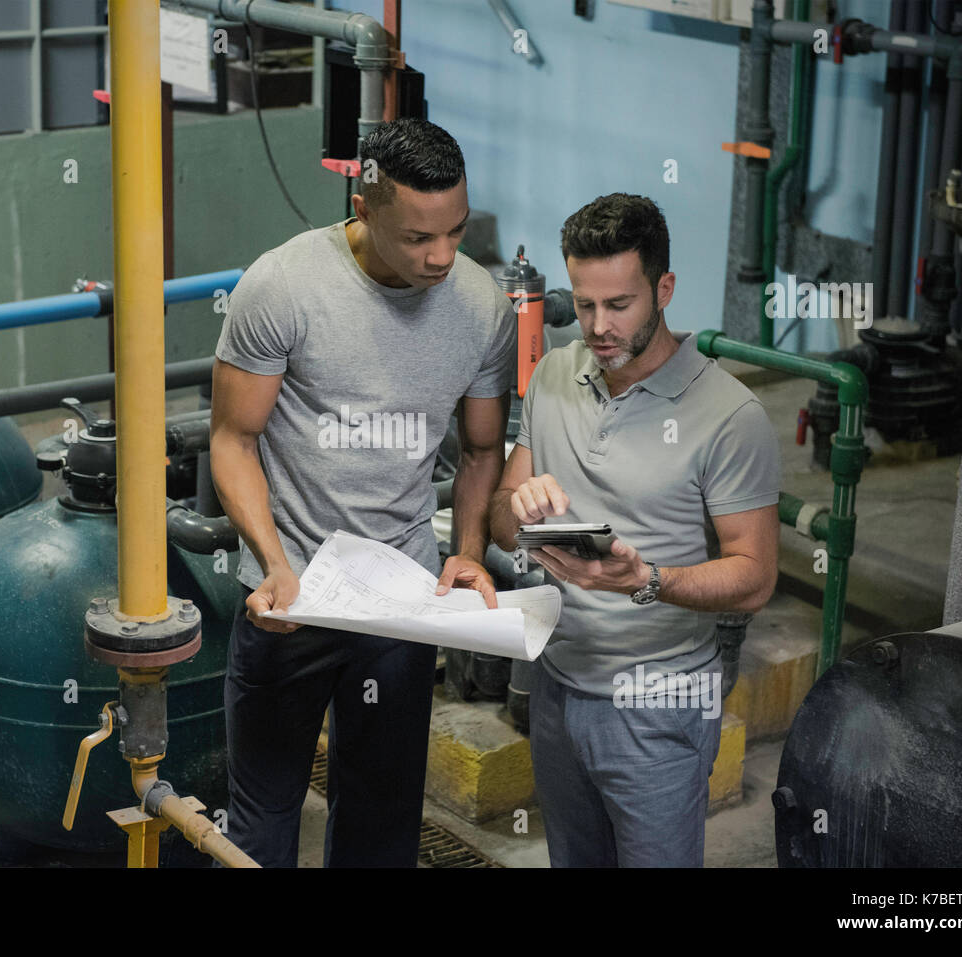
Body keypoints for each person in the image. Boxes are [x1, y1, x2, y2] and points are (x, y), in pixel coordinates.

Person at [210, 117, 516, 867]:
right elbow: (232, 440)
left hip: (399, 605)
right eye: (418, 237)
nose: (442, 256)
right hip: (292, 598)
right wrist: (275, 562)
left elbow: (481, 451)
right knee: (261, 821)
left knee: (382, 830)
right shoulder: (282, 286)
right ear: (364, 204)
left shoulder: (483, 308)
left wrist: (469, 553)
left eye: (455, 231)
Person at [488, 193, 781, 867]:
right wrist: (518, 505)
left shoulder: (729, 416)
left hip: (659, 707)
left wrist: (647, 579)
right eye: (584, 304)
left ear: (664, 289)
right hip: (558, 690)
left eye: (619, 305)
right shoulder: (555, 375)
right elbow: (501, 517)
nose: (598, 325)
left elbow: (755, 576)